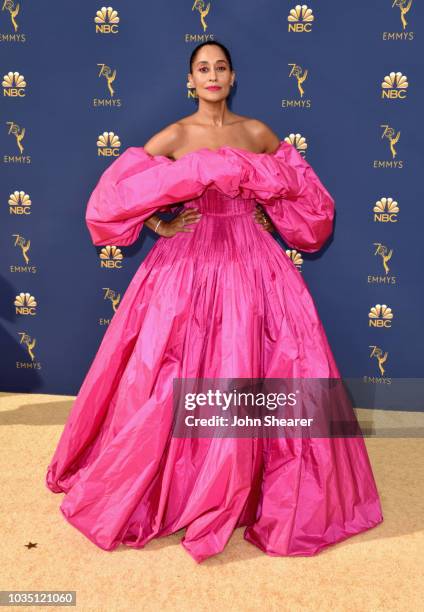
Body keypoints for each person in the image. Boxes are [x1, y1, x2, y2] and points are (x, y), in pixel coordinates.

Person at [45, 41, 383, 563]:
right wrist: (159, 222)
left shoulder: (257, 133)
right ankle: (185, 487)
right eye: (202, 68)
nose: (211, 75)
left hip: (254, 265)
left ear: (232, 76)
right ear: (190, 80)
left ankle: (251, 486)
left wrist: (273, 217)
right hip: (188, 267)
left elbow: (310, 200)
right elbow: (112, 197)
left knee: (271, 366)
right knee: (171, 376)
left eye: (220, 67)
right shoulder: (176, 135)